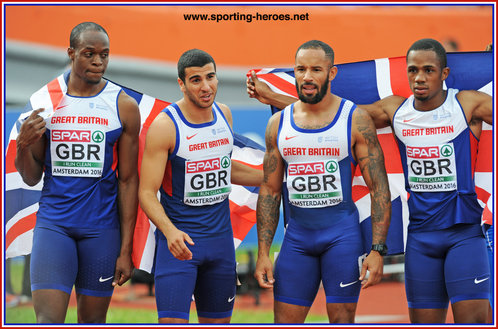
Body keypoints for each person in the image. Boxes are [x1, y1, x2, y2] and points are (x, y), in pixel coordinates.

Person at [248, 38, 492, 324]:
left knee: (475, 322)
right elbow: (334, 116)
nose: (420, 78)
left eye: (429, 70)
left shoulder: (468, 103)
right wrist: (276, 98)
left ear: (444, 74)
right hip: (421, 237)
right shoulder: (395, 110)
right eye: (413, 70)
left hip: (463, 233)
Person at [253, 40, 391, 323]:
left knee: (341, 320)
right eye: (301, 69)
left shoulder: (355, 119)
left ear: (332, 73)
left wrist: (377, 250)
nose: (307, 76)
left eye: (316, 69)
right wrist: (263, 253)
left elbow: (379, 188)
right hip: (297, 239)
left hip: (342, 238)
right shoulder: (277, 124)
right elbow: (270, 190)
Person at [15, 22, 140, 323]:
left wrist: (126, 249)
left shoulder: (123, 106)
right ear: (71, 53)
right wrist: (22, 144)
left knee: (92, 322)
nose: (98, 62)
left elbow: (127, 179)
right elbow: (31, 177)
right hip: (54, 225)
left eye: (104, 55)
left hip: (101, 230)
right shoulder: (45, 103)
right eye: (89, 54)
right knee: (48, 320)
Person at [138, 49, 262, 324]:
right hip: (180, 245)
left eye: (210, 77)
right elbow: (147, 192)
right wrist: (170, 232)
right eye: (196, 80)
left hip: (220, 245)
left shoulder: (224, 115)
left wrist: (276, 177)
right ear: (181, 84)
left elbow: (225, 168)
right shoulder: (165, 126)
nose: (206, 87)